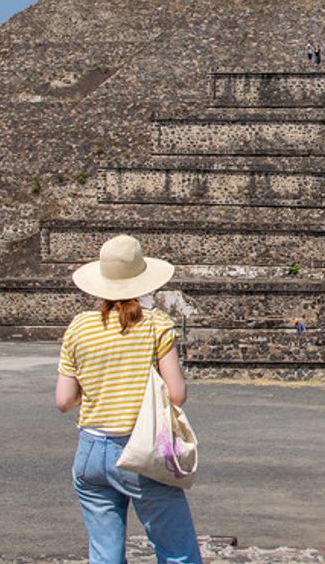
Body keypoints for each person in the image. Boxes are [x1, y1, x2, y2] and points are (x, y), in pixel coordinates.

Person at [55, 234, 201, 564]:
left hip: (91, 452)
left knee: (104, 556)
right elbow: (177, 394)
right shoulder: (156, 325)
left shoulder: (79, 327)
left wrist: (98, 388)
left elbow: (64, 400)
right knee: (178, 554)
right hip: (141, 448)